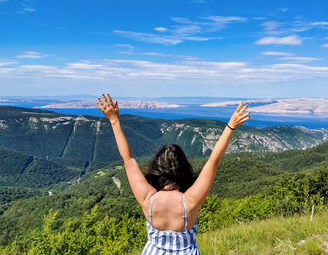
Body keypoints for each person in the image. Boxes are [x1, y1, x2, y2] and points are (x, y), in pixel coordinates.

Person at [97, 94, 251, 254]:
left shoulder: (147, 200)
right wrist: (231, 126)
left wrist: (114, 120)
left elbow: (128, 159)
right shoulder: (190, 202)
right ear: (184, 170)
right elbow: (213, 161)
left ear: (156, 169)